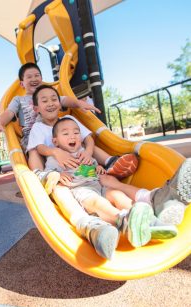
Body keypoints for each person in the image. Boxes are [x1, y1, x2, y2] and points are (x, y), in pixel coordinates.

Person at [29, 85, 183, 258]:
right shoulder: (55, 156)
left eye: (75, 133)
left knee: (117, 194)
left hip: (97, 184)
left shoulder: (81, 150)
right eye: (66, 134)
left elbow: (90, 160)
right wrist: (57, 174)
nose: (72, 136)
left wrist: (97, 167)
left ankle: (150, 218)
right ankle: (123, 220)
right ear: (55, 141)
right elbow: (48, 168)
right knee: (97, 202)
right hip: (81, 191)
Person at [0, 62, 139, 177]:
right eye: (29, 77)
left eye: (37, 75)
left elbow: (66, 100)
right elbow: (9, 112)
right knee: (33, 150)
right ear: (22, 84)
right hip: (35, 137)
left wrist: (81, 104)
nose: (34, 79)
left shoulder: (50, 95)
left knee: (79, 140)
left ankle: (110, 162)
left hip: (56, 130)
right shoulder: (19, 100)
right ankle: (40, 177)